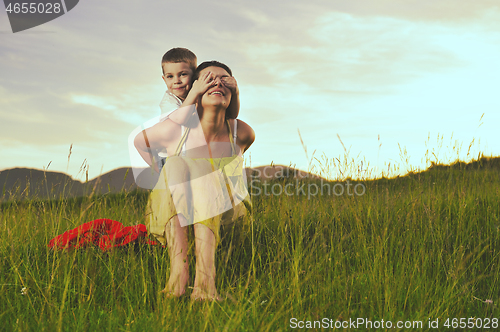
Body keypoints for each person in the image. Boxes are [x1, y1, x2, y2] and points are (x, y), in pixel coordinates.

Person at [134, 61, 255, 301]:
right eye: (209, 79)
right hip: (175, 219)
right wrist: (160, 174)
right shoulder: (175, 131)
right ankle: (179, 276)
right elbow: (140, 142)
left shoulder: (241, 132)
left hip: (229, 222)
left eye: (225, 81)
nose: (218, 83)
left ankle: (205, 284)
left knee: (201, 168)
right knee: (176, 164)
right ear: (196, 91)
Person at [128, 48, 240, 186]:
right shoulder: (169, 100)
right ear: (164, 79)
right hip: (168, 154)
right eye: (170, 76)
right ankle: (159, 170)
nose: (177, 81)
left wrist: (235, 93)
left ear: (194, 77)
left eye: (183, 75)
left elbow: (232, 115)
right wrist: (195, 91)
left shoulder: (200, 94)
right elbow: (181, 120)